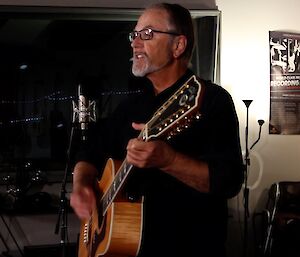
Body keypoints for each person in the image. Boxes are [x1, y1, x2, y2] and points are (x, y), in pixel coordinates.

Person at [70, 3, 244, 257]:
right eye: (134, 35)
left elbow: (229, 181)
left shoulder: (210, 100)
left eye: (147, 34)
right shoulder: (130, 107)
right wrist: (82, 185)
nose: (135, 43)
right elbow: (88, 153)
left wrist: (169, 160)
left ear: (178, 46)